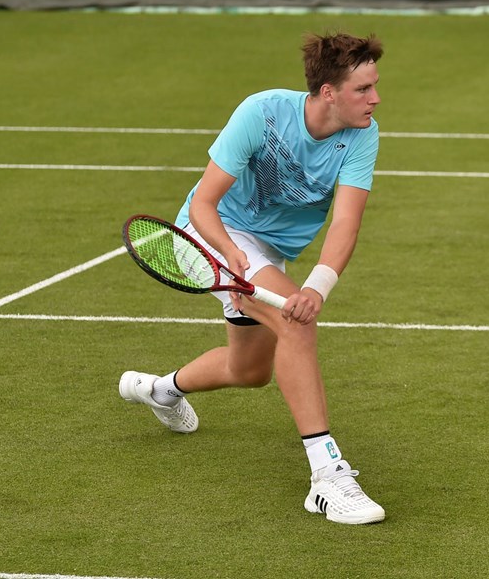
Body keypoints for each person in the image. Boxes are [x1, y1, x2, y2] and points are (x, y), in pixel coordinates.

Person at [118, 32, 387, 526]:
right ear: (328, 92)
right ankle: (327, 479)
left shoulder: (362, 134)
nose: (375, 98)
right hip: (208, 234)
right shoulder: (261, 113)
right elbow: (203, 202)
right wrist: (228, 253)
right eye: (362, 89)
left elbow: (346, 223)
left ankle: (161, 390)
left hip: (267, 252)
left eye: (374, 87)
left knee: (251, 372)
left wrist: (317, 286)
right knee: (295, 326)